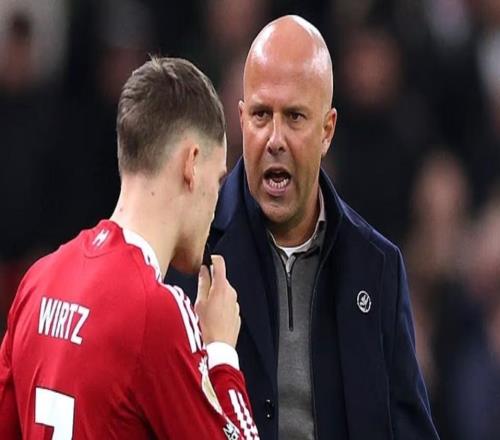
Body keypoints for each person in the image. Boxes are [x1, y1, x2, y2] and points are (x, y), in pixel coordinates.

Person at [167, 16, 439, 440]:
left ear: (327, 131)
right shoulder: (189, 253)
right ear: (240, 119)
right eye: (261, 115)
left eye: (294, 117)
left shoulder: (377, 267)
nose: (274, 138)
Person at [0, 56, 259, 439]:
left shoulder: (37, 282)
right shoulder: (157, 312)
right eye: (218, 180)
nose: (216, 201)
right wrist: (220, 353)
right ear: (191, 163)